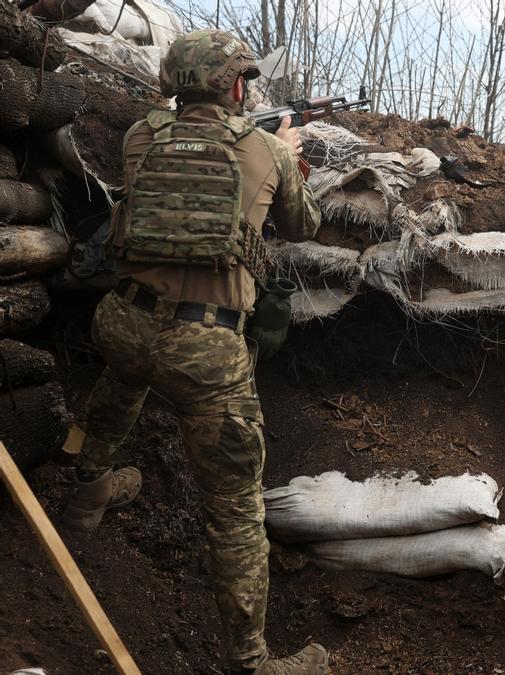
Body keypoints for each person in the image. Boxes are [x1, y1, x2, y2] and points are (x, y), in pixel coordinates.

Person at [59, 29, 327, 673]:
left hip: (123, 323)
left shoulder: (140, 138)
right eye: (245, 80)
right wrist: (290, 157)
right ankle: (254, 661)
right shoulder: (266, 149)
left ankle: (87, 487)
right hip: (205, 351)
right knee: (235, 507)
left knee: (121, 385)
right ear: (236, 85)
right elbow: (300, 227)